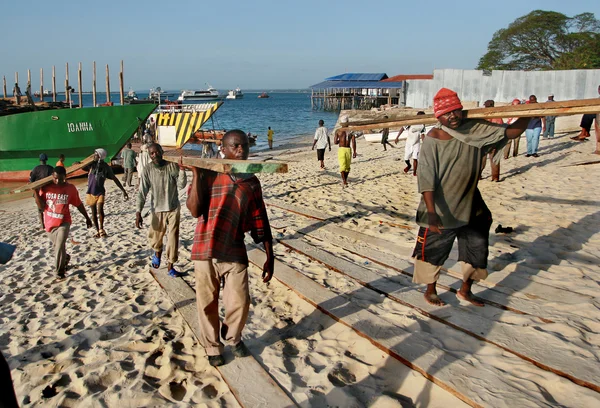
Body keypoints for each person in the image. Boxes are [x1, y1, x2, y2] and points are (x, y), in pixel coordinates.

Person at [412, 88, 529, 307]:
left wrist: (528, 113)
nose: (452, 117)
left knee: (476, 249)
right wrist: (431, 211)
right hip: (441, 205)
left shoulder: (476, 131)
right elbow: (426, 177)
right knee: (433, 251)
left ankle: (465, 290)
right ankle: (431, 289)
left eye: (455, 111)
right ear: (438, 116)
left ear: (461, 111)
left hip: (471, 201)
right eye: (446, 113)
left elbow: (511, 133)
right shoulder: (433, 138)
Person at [186, 130, 274, 367]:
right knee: (207, 302)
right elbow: (194, 210)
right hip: (204, 248)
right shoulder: (208, 174)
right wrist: (196, 174)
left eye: (244, 146)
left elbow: (260, 219)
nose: (241, 151)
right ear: (223, 149)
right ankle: (213, 346)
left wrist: (269, 254)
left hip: (233, 247)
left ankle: (232, 336)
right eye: (235, 147)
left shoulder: (251, 182)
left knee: (240, 301)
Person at [136, 143, 187, 277]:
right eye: (152, 153)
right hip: (157, 208)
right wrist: (138, 212)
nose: (155, 155)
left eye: (157, 152)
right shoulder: (148, 169)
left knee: (173, 238)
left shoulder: (171, 165)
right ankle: (157, 253)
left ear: (161, 151)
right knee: (156, 237)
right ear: (149, 155)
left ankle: (170, 265)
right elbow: (142, 192)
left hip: (173, 208)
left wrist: (182, 170)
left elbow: (181, 185)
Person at [34, 166, 93, 278]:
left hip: (64, 222)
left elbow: (78, 204)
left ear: (65, 177)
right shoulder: (46, 188)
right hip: (49, 223)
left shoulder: (70, 188)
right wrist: (35, 191)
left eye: (60, 179)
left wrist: (87, 217)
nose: (57, 181)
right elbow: (41, 207)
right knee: (58, 246)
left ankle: (59, 272)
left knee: (60, 245)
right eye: (55, 178)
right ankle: (65, 258)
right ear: (52, 177)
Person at [85, 148, 129, 238]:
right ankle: (98, 231)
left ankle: (101, 228)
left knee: (100, 210)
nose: (94, 156)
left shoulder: (106, 167)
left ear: (100, 156)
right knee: (93, 213)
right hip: (90, 192)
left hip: (100, 192)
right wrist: (77, 163)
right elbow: (82, 167)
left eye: (95, 154)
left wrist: (123, 190)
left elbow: (114, 178)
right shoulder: (91, 165)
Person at [395, 111, 426, 175]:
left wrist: (425, 142)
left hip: (416, 143)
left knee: (415, 158)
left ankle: (414, 172)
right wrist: (397, 137)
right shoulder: (411, 122)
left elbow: (422, 134)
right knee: (406, 158)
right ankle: (409, 166)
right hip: (409, 143)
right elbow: (402, 128)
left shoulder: (422, 125)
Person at [480, 100, 504, 182]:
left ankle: (479, 175)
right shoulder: (497, 115)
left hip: (485, 140)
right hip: (495, 139)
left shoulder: (483, 114)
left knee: (481, 159)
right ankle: (495, 177)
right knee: (494, 159)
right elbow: (501, 127)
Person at [30, 153, 54, 230]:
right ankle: (51, 222)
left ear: (40, 160)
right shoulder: (50, 168)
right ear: (46, 159)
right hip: (50, 191)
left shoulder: (36, 169)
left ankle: (42, 225)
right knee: (51, 207)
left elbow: (31, 180)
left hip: (39, 191)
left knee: (40, 209)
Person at [334, 117, 357, 187]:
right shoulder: (350, 131)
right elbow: (353, 142)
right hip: (348, 149)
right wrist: (354, 151)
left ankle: (344, 181)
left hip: (341, 149)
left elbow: (335, 142)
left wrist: (340, 140)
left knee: (343, 166)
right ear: (347, 122)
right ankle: (345, 181)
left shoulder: (338, 131)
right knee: (347, 166)